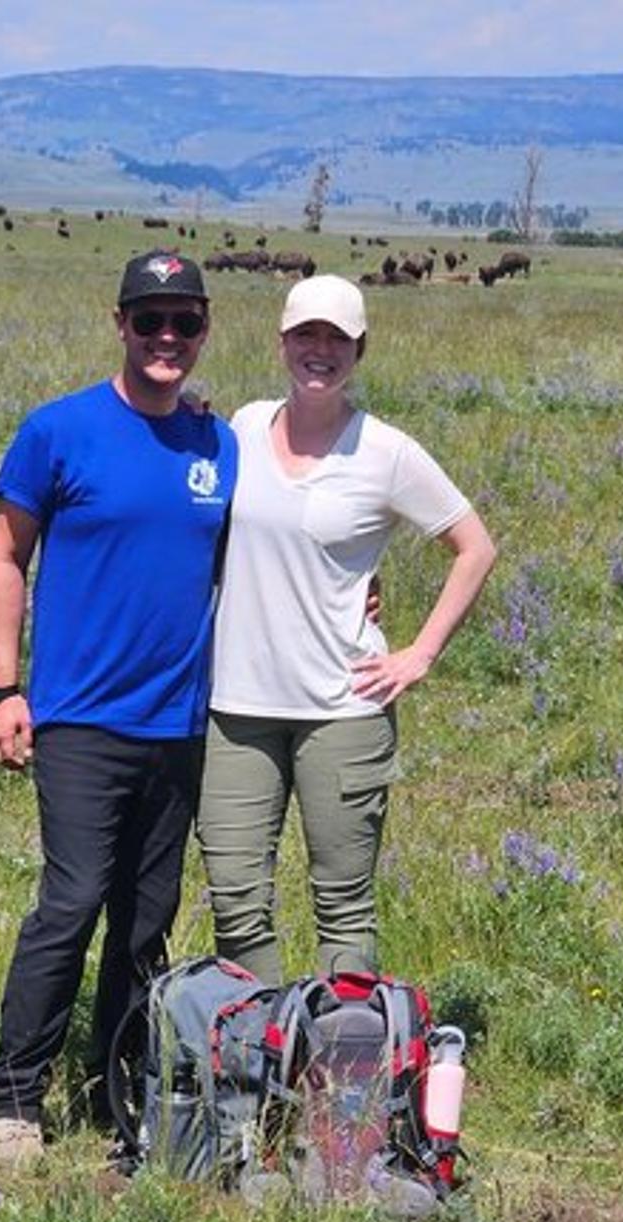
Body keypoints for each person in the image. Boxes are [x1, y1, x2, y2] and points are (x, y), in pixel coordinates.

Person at [0, 249, 237, 1164]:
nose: (167, 338)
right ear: (119, 324)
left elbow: (272, 548)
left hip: (180, 722)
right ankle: (13, 1096)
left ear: (204, 330)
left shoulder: (220, 443)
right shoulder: (58, 431)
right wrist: (4, 688)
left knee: (146, 916)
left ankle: (115, 1085)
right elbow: (5, 555)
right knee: (74, 897)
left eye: (185, 321)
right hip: (80, 717)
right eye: (150, 319)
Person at [197, 274, 496, 986]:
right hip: (236, 708)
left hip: (344, 708)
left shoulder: (385, 451)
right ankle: (259, 1061)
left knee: (343, 908)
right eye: (307, 335)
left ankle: (342, 1083)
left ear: (360, 350)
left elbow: (474, 546)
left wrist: (418, 654)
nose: (320, 351)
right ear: (282, 343)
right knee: (237, 901)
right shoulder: (240, 426)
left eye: (337, 338)